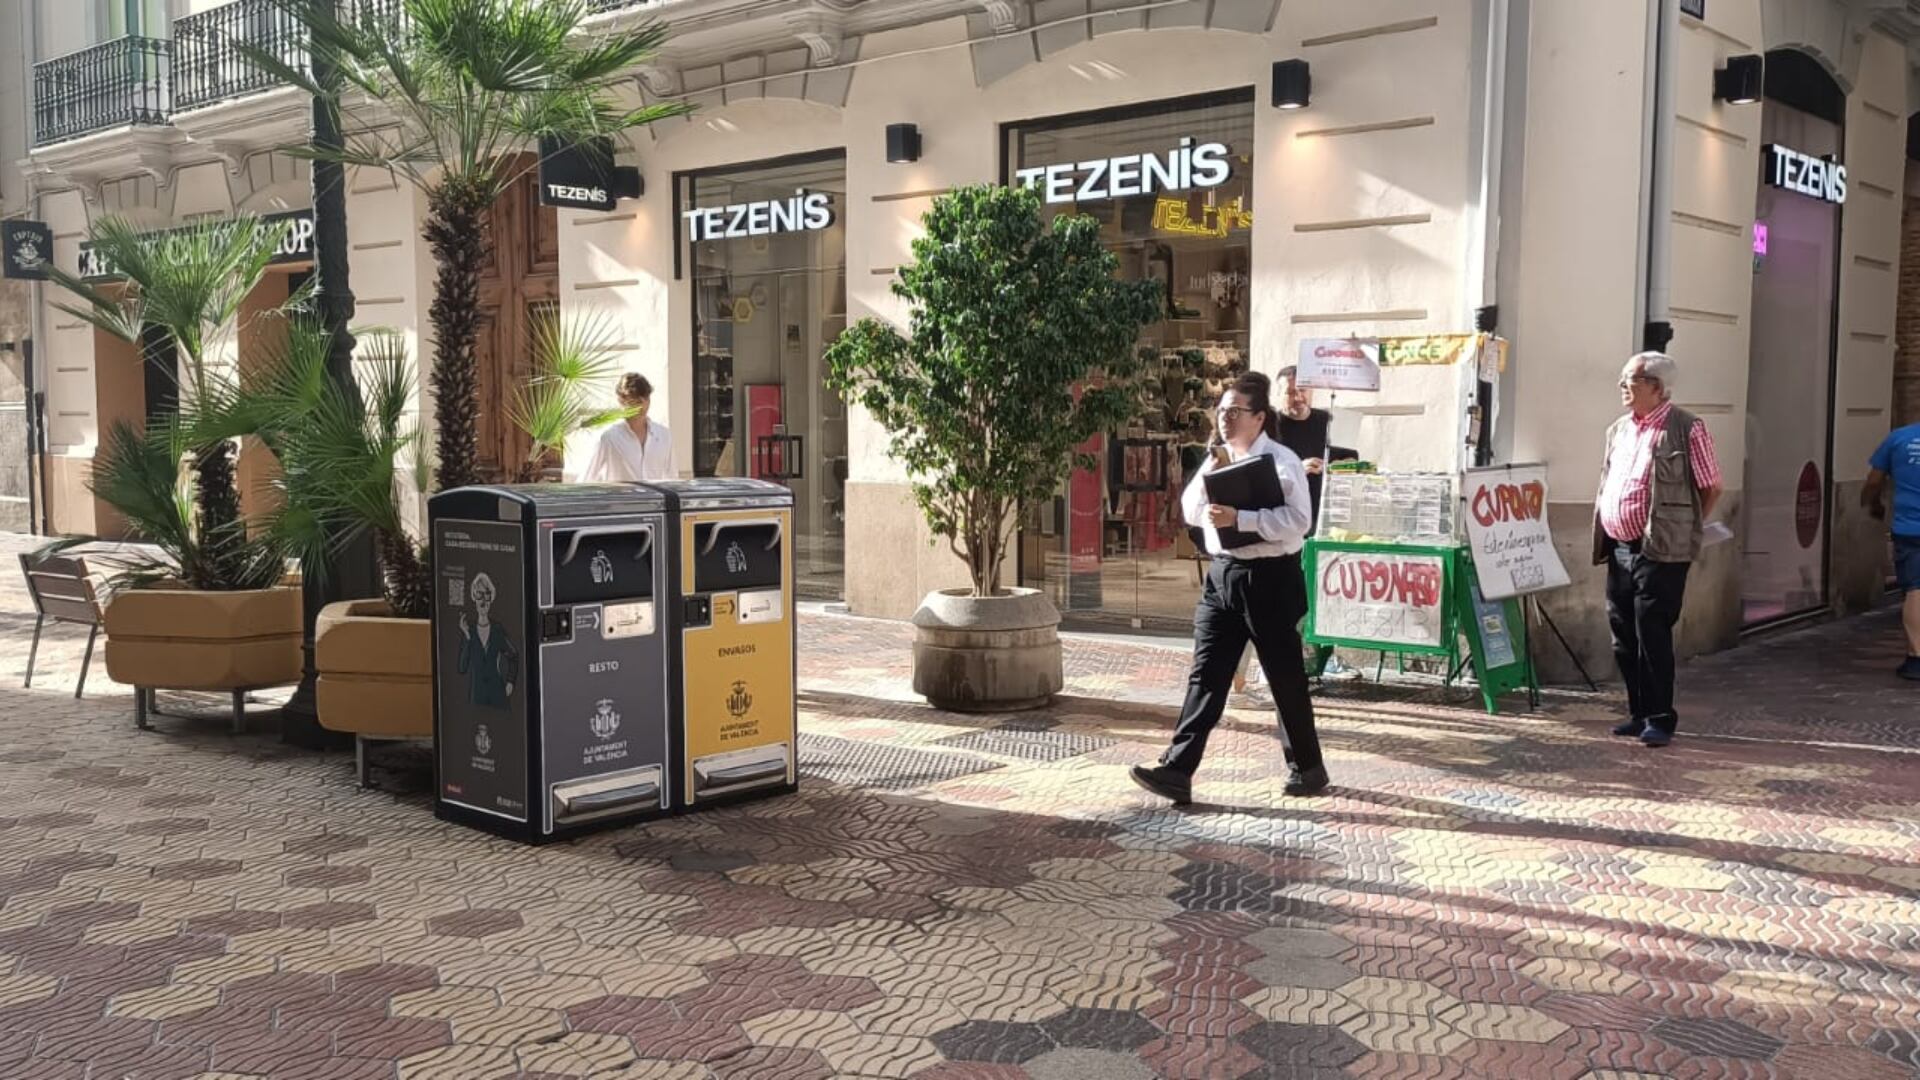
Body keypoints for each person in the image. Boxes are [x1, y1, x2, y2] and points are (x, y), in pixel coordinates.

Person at [1132, 372, 1329, 804]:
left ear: (1259, 417)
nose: (1224, 419)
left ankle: (1308, 767)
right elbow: (1189, 509)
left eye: (1234, 412)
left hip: (1271, 580)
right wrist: (1211, 493)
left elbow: (1299, 522)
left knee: (1284, 678)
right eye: (1221, 411)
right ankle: (1177, 769)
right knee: (1206, 675)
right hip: (1223, 577)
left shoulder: (1282, 461)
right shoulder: (1216, 458)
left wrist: (1242, 519)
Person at [1592, 351, 1723, 747]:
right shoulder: (1619, 429)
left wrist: (1683, 526)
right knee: (1622, 634)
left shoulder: (1687, 428)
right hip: (1619, 546)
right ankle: (1637, 711)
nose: (1622, 388)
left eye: (1629, 381)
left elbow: (1711, 485)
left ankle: (1661, 717)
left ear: (1656, 387)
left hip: (1661, 549)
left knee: (1652, 631)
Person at [1863, 418, 1920, 679]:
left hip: (1909, 528)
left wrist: (1873, 503)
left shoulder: (1898, 439)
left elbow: (1874, 481)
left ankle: (1916, 658)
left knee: (1915, 590)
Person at [581, 373, 677, 481]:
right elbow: (586, 479)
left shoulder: (664, 435)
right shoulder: (608, 437)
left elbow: (672, 479)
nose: (642, 405)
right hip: (622, 497)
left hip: (655, 498)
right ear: (621, 399)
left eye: (646, 398)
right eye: (636, 400)